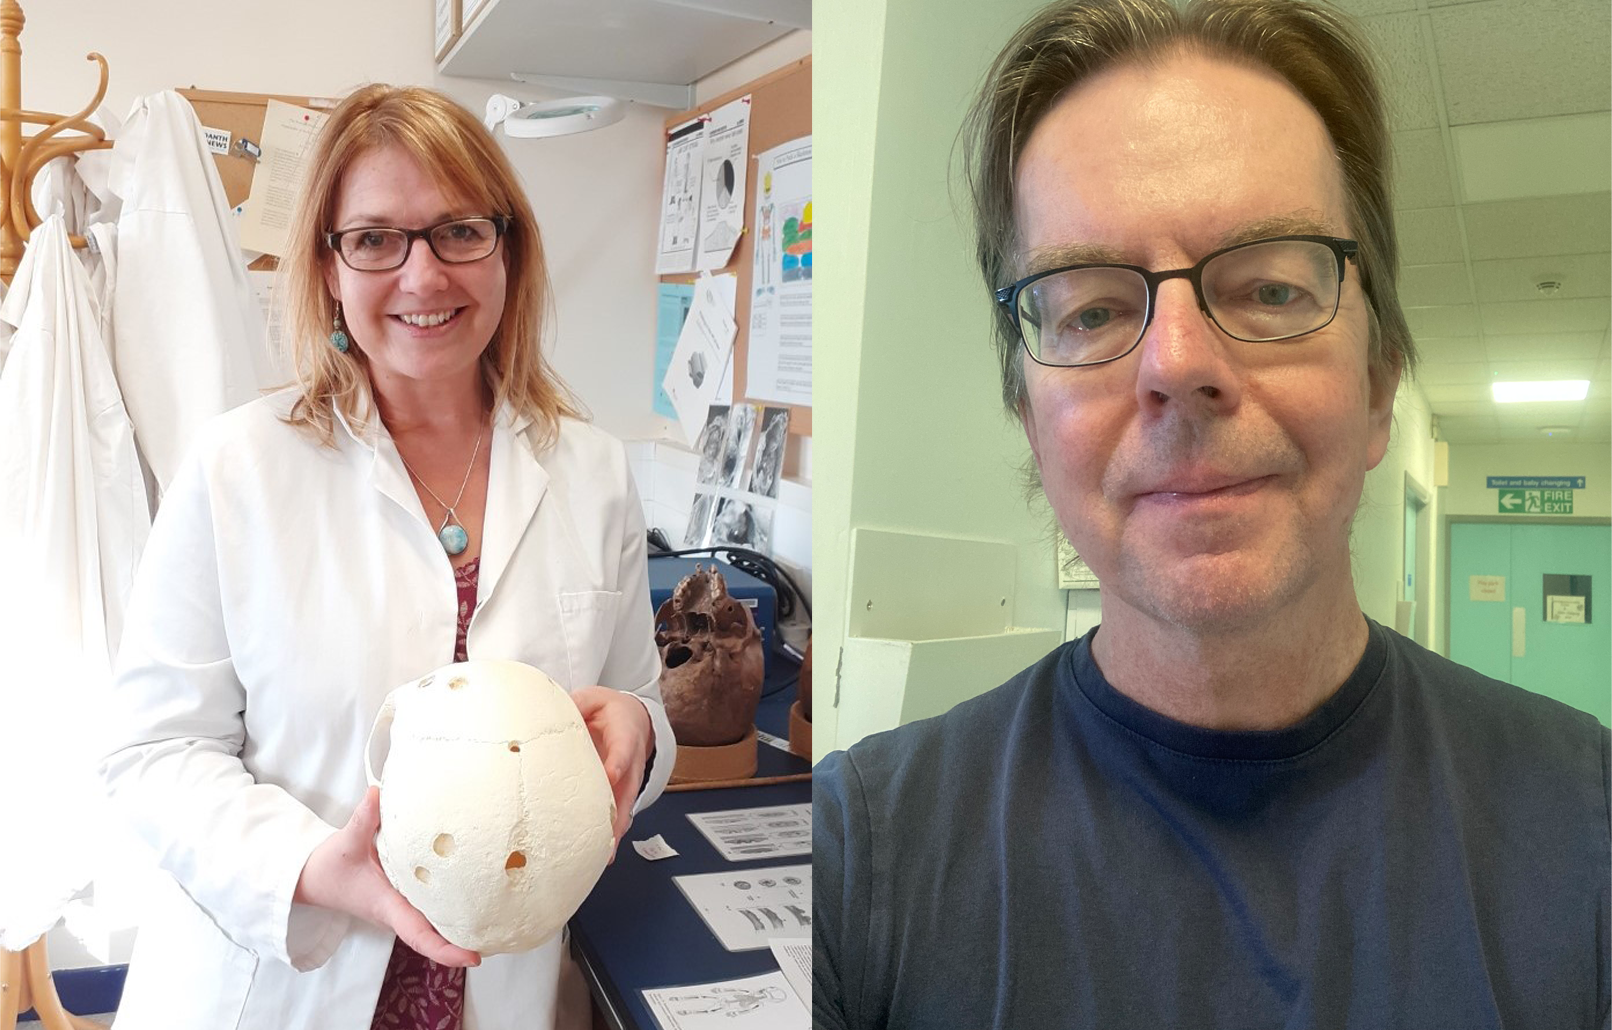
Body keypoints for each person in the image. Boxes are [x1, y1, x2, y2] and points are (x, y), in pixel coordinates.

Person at [812, 1, 1611, 1027]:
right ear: (1027, 413)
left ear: (1377, 389)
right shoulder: (857, 857)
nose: (1178, 365)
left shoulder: (1584, 828)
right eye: (1091, 306)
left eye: (1271, 289)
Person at [99, 84, 676, 1030]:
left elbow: (637, 701)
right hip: (283, 980)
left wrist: (638, 737)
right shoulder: (239, 467)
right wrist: (309, 869)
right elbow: (154, 748)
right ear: (329, 267)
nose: (422, 277)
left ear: (508, 248)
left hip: (493, 986)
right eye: (374, 239)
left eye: (458, 231)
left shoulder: (593, 471)